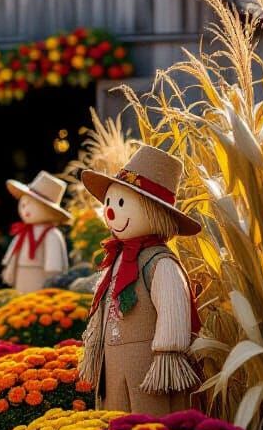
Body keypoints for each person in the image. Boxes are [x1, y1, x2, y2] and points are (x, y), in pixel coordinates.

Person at [79, 145, 202, 415]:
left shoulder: (161, 264)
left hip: (150, 369)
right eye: (110, 203)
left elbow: (173, 310)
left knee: (152, 423)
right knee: (115, 424)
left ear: (154, 211)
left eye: (121, 204)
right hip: (112, 366)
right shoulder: (116, 260)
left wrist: (168, 354)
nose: (111, 212)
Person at [0, 171, 70, 292]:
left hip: (41, 274)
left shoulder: (52, 234)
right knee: (22, 299)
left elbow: (54, 260)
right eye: (23, 205)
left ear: (49, 210)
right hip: (21, 272)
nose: (25, 210)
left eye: (31, 205)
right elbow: (14, 253)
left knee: (39, 299)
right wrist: (10, 269)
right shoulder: (22, 232)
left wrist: (53, 272)